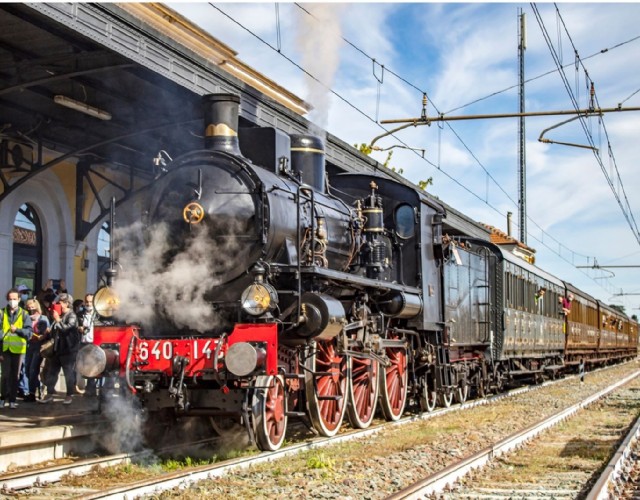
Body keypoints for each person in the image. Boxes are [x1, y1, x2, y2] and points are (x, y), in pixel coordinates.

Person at [38, 293, 81, 405]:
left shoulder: (72, 316)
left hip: (68, 349)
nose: (58, 305)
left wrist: (57, 320)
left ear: (67, 303)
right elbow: (55, 331)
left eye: (60, 302)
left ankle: (69, 395)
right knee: (52, 372)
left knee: (68, 373)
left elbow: (67, 329)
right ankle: (49, 394)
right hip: (57, 349)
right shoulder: (60, 316)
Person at [1, 288, 33, 409]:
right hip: (5, 349)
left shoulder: (24, 314)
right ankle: (3, 397)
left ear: (19, 300)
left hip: (19, 350)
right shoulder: (2, 313)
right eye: (10, 299)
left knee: (15, 375)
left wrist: (18, 330)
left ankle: (13, 400)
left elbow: (29, 332)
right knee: (5, 375)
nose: (12, 301)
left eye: (14, 299)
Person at [23, 299, 50, 402]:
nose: (30, 309)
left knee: (33, 369)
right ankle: (34, 390)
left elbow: (47, 332)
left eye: (32, 306)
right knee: (27, 369)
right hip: (28, 345)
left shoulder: (43, 318)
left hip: (38, 346)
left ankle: (33, 393)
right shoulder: (26, 318)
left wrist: (42, 336)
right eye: (28, 307)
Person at [77, 293, 98, 397]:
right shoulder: (80, 314)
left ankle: (91, 389)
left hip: (95, 343)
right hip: (83, 343)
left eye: (91, 302)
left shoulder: (99, 315)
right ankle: (89, 388)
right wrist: (79, 328)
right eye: (87, 302)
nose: (88, 304)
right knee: (85, 367)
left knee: (93, 367)